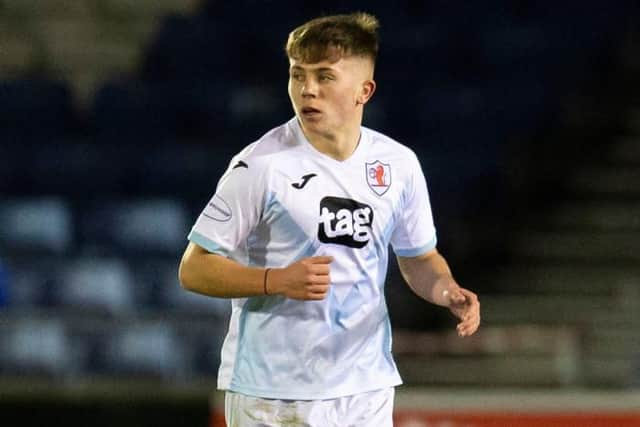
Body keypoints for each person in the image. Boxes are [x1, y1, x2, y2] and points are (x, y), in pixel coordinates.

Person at [179, 11, 480, 427]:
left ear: (364, 90)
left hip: (364, 388)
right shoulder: (260, 165)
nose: (307, 90)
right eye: (297, 75)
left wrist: (447, 290)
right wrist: (275, 280)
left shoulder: (399, 165)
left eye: (324, 76)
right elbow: (194, 268)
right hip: (273, 393)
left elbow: (417, 257)